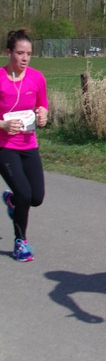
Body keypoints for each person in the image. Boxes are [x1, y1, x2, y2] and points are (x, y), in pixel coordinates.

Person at [0, 29, 48, 262]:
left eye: (28, 54)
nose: (25, 58)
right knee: (25, 194)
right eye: (20, 53)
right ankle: (21, 242)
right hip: (4, 146)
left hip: (29, 145)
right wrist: (3, 124)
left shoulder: (37, 78)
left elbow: (42, 105)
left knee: (36, 197)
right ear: (8, 52)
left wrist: (43, 115)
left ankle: (12, 201)